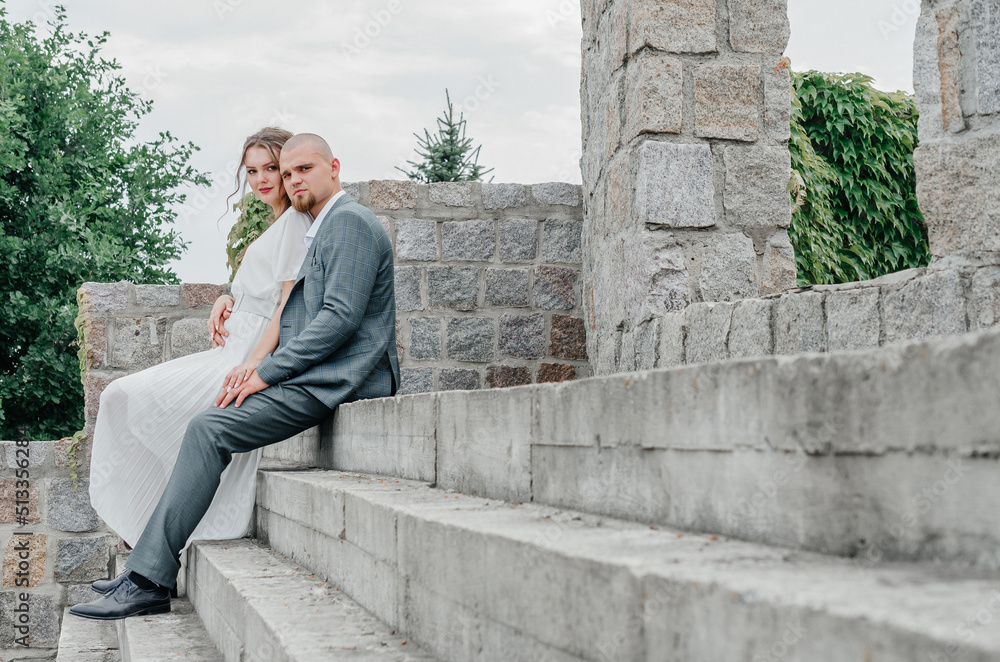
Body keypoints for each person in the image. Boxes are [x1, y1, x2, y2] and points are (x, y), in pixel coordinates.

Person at [70, 132, 399, 620]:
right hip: (314, 371)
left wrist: (265, 371)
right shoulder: (319, 224)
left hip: (339, 376)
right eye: (286, 173)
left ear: (334, 167)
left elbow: (339, 318)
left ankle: (148, 580)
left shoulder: (348, 222)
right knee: (205, 425)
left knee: (208, 427)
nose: (291, 181)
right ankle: (146, 566)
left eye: (301, 170)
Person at [85, 127, 312, 592]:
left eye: (272, 168)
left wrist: (256, 365)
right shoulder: (273, 225)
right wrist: (226, 298)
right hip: (234, 341)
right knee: (123, 400)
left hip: (248, 351)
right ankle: (146, 550)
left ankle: (149, 554)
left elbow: (286, 307)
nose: (262, 179)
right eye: (252, 171)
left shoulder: (296, 226)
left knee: (128, 396)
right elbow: (258, 288)